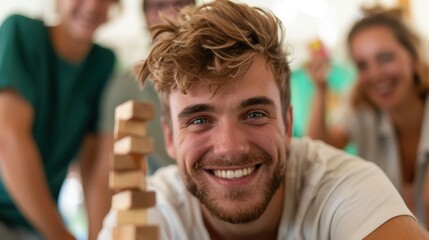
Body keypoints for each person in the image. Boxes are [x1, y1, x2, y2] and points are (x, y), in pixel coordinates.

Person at [98, 1, 429, 239]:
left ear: (287, 122)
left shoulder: (344, 188)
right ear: (169, 137)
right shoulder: (148, 214)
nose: (229, 147)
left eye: (254, 114)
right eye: (199, 120)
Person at [0, 0, 118, 239]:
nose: (93, 5)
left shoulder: (102, 63)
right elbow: (8, 137)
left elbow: (92, 161)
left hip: (39, 224)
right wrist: (60, 235)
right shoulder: (21, 32)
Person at [307, 11, 429, 225]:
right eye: (363, 65)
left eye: (385, 58)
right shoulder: (362, 111)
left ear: (412, 55)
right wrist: (320, 88)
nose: (375, 75)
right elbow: (319, 153)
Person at [98, 0, 195, 175]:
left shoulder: (222, 77)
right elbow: (107, 170)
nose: (171, 15)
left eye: (180, 3)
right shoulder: (125, 86)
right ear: (145, 16)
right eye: (159, 6)